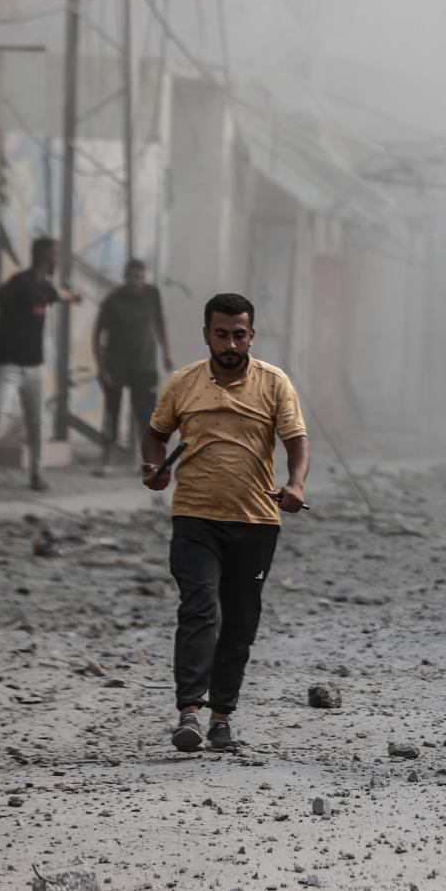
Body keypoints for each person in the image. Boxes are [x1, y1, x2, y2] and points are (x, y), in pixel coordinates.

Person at [141, 292, 310, 753]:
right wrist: (154, 470)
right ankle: (189, 713)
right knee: (199, 608)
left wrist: (295, 485)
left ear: (251, 335)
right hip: (195, 518)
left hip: (256, 522)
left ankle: (222, 716)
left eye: (239, 335)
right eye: (222, 335)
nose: (231, 344)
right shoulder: (184, 383)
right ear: (206, 335)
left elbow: (296, 441)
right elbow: (156, 436)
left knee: (240, 618)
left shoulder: (275, 384)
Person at [0, 237, 82, 491]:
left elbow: (58, 295)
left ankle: (37, 475)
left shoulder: (44, 287)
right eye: (55, 256)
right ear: (44, 257)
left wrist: (74, 296)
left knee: (38, 423)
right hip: (7, 364)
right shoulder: (21, 283)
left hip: (34, 367)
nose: (57, 261)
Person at [92, 258, 173, 476]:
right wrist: (101, 368)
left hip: (145, 364)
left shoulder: (152, 294)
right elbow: (97, 334)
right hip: (116, 364)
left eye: (141, 277)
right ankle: (108, 459)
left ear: (145, 278)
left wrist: (166, 352)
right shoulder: (113, 300)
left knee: (145, 413)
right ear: (125, 278)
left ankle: (148, 461)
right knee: (112, 411)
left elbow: (160, 321)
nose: (137, 282)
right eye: (133, 277)